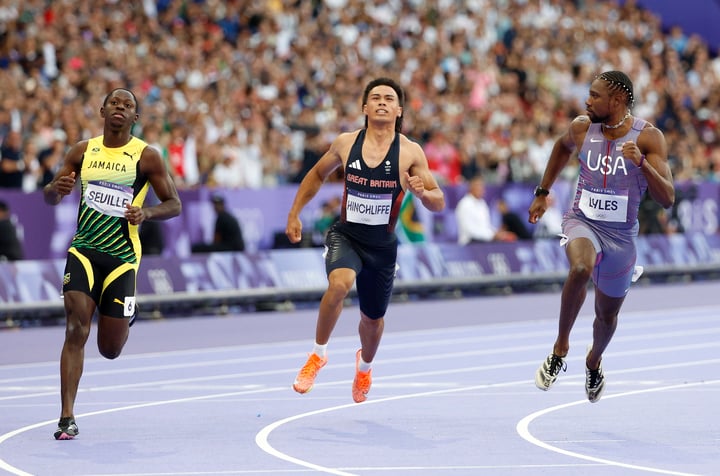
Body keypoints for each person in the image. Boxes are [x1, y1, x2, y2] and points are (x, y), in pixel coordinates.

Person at [286, 77, 445, 403]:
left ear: (399, 109)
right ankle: (318, 355)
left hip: (382, 246)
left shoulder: (410, 152)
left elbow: (438, 200)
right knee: (339, 285)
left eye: (389, 98)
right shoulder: (346, 143)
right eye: (375, 98)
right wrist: (294, 213)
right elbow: (317, 174)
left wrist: (421, 192)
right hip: (347, 235)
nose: (382, 102)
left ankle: (365, 367)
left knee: (372, 322)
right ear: (365, 107)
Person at [43, 88, 182, 439]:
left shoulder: (147, 157)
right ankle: (66, 418)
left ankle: (124, 314)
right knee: (76, 330)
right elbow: (49, 197)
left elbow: (174, 204)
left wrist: (146, 212)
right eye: (115, 103)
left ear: (135, 118)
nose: (120, 107)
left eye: (128, 105)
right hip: (84, 251)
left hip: (122, 259)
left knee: (109, 349)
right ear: (102, 110)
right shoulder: (82, 151)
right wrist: (55, 188)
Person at [528, 71, 675, 402]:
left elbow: (667, 198)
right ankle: (559, 349)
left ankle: (593, 362)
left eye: (594, 96)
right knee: (580, 268)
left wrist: (642, 165)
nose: (587, 100)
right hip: (583, 220)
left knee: (606, 316)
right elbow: (561, 147)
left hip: (621, 237)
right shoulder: (582, 127)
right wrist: (542, 191)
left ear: (618, 100)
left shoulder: (649, 138)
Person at [455, 175, 516, 244]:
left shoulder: (482, 203)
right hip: (470, 243)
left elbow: (486, 226)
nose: (481, 189)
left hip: (484, 241)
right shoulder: (464, 204)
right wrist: (492, 235)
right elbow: (470, 230)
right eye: (478, 186)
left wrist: (499, 234)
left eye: (482, 186)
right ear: (471, 187)